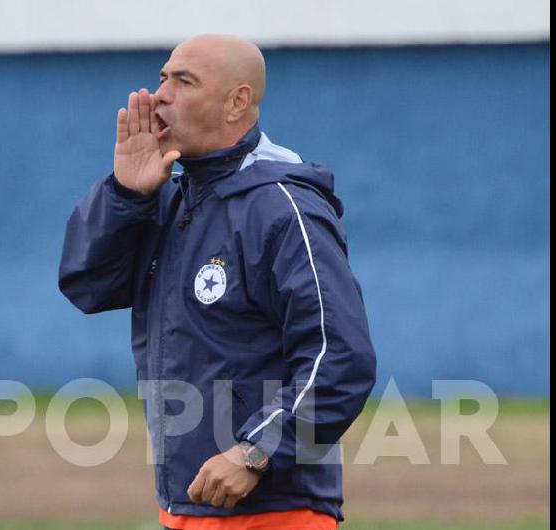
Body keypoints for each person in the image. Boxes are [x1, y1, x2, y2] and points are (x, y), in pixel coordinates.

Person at [59, 34, 376, 530]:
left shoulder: (284, 209)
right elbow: (87, 286)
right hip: (184, 506)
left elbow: (338, 356)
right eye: (162, 77)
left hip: (276, 513)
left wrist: (258, 450)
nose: (160, 94)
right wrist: (126, 195)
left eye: (184, 81)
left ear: (237, 102)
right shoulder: (169, 198)